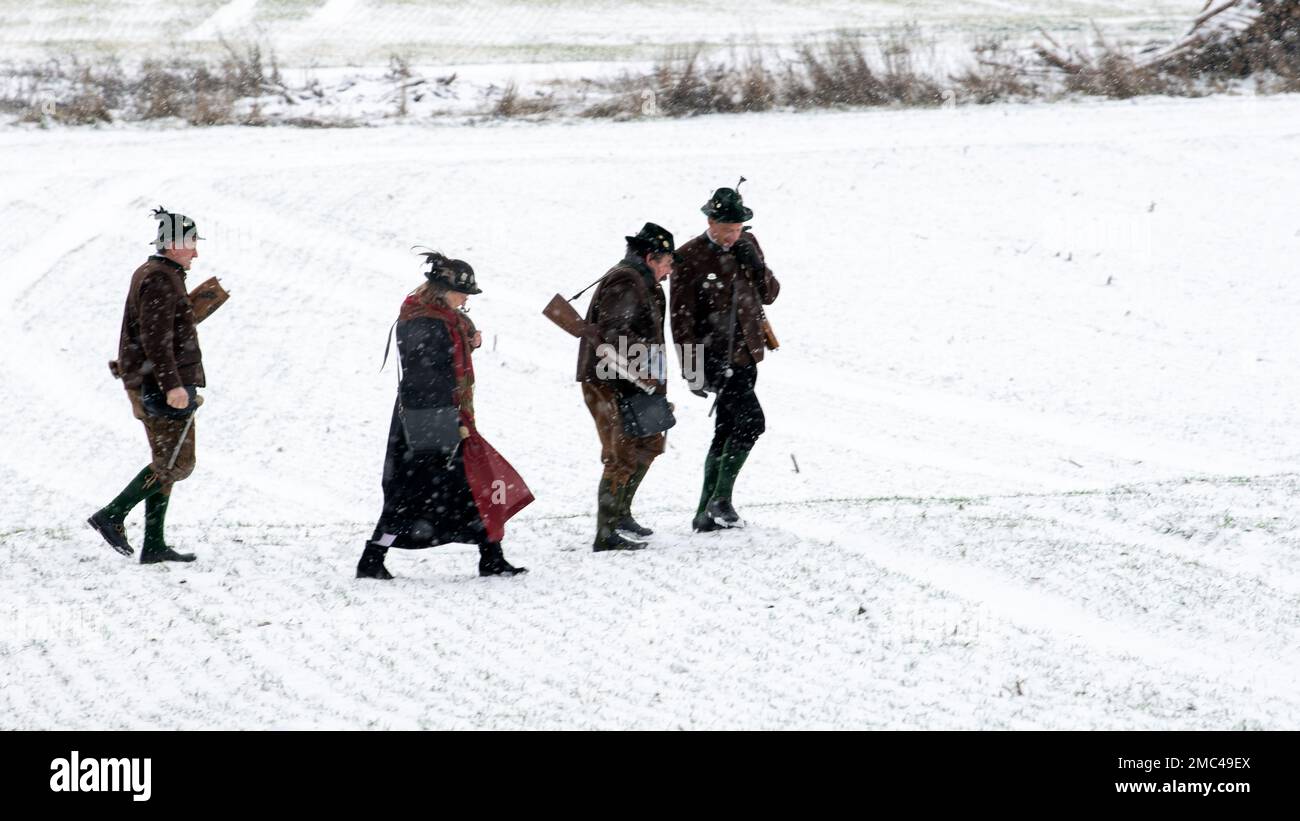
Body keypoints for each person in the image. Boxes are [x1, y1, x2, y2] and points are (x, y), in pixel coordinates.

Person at [357, 252, 533, 579]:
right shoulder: (424, 322)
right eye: (463, 293)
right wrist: (449, 423)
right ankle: (371, 558)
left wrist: (470, 338)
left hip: (439, 413)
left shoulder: (442, 318)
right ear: (442, 290)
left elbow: (451, 342)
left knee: (472, 486)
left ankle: (491, 557)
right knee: (411, 493)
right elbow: (426, 376)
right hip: (426, 418)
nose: (467, 299)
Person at [88, 206, 214, 564]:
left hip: (152, 379)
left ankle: (154, 544)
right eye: (191, 243)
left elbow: (162, 330)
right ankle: (112, 514)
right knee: (176, 464)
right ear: (173, 243)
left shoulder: (162, 274)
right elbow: (155, 339)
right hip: (159, 384)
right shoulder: (159, 278)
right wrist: (173, 385)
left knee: (167, 460)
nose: (196, 252)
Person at [670, 182, 780, 531]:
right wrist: (692, 370)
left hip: (748, 354)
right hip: (716, 359)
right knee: (752, 423)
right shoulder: (689, 256)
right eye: (727, 229)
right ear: (710, 223)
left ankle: (705, 513)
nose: (733, 236)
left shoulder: (748, 244)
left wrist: (757, 265)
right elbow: (681, 320)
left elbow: (771, 294)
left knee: (726, 430)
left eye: (737, 229)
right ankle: (721, 500)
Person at [575, 223, 676, 552]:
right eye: (666, 264)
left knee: (649, 443)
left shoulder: (643, 282)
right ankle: (605, 534)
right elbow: (616, 333)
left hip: (635, 379)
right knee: (620, 454)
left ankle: (620, 514)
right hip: (608, 381)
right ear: (651, 258)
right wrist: (644, 367)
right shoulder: (625, 281)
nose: (669, 272)